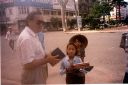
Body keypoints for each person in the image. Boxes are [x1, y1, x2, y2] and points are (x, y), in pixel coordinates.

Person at [15, 11, 59, 84]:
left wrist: (47, 55)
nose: (41, 25)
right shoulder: (27, 38)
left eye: (43, 22)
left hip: (38, 72)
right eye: (39, 22)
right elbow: (28, 64)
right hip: (33, 74)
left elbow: (37, 54)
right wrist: (48, 59)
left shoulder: (33, 34)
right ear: (29, 21)